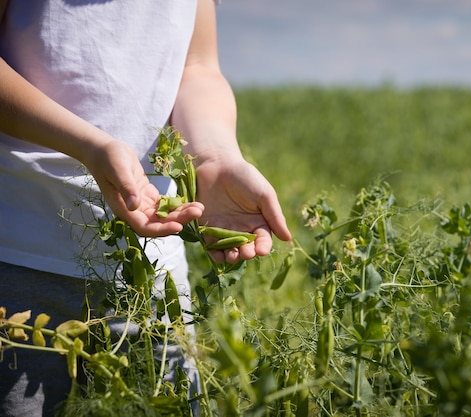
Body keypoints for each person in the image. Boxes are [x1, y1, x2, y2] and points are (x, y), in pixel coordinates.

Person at [0, 0, 292, 415]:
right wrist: (90, 145)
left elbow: (197, 69)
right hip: (17, 256)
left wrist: (213, 156)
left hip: (154, 266)